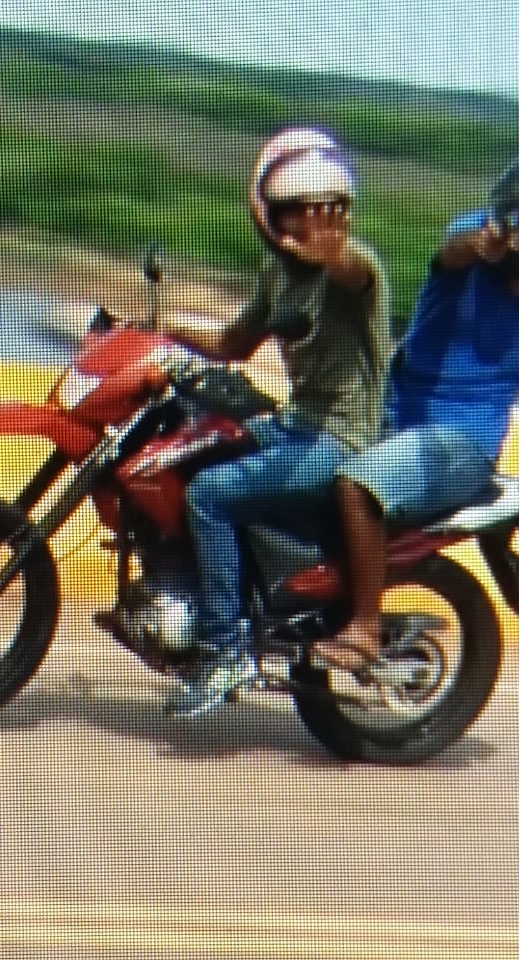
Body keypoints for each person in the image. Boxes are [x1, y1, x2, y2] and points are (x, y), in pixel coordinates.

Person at [318, 148, 519, 670]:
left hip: (461, 444)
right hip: (387, 413)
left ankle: (364, 630)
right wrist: (476, 244)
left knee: (358, 486)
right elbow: (450, 253)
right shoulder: (473, 246)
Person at [159, 127, 395, 718]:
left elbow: (351, 269)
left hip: (342, 440)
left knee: (210, 497)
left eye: (322, 212)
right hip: (296, 425)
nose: (304, 226)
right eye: (293, 212)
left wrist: (332, 252)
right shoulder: (277, 275)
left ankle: (223, 650)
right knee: (188, 453)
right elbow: (234, 343)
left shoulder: (357, 269)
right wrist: (162, 329)